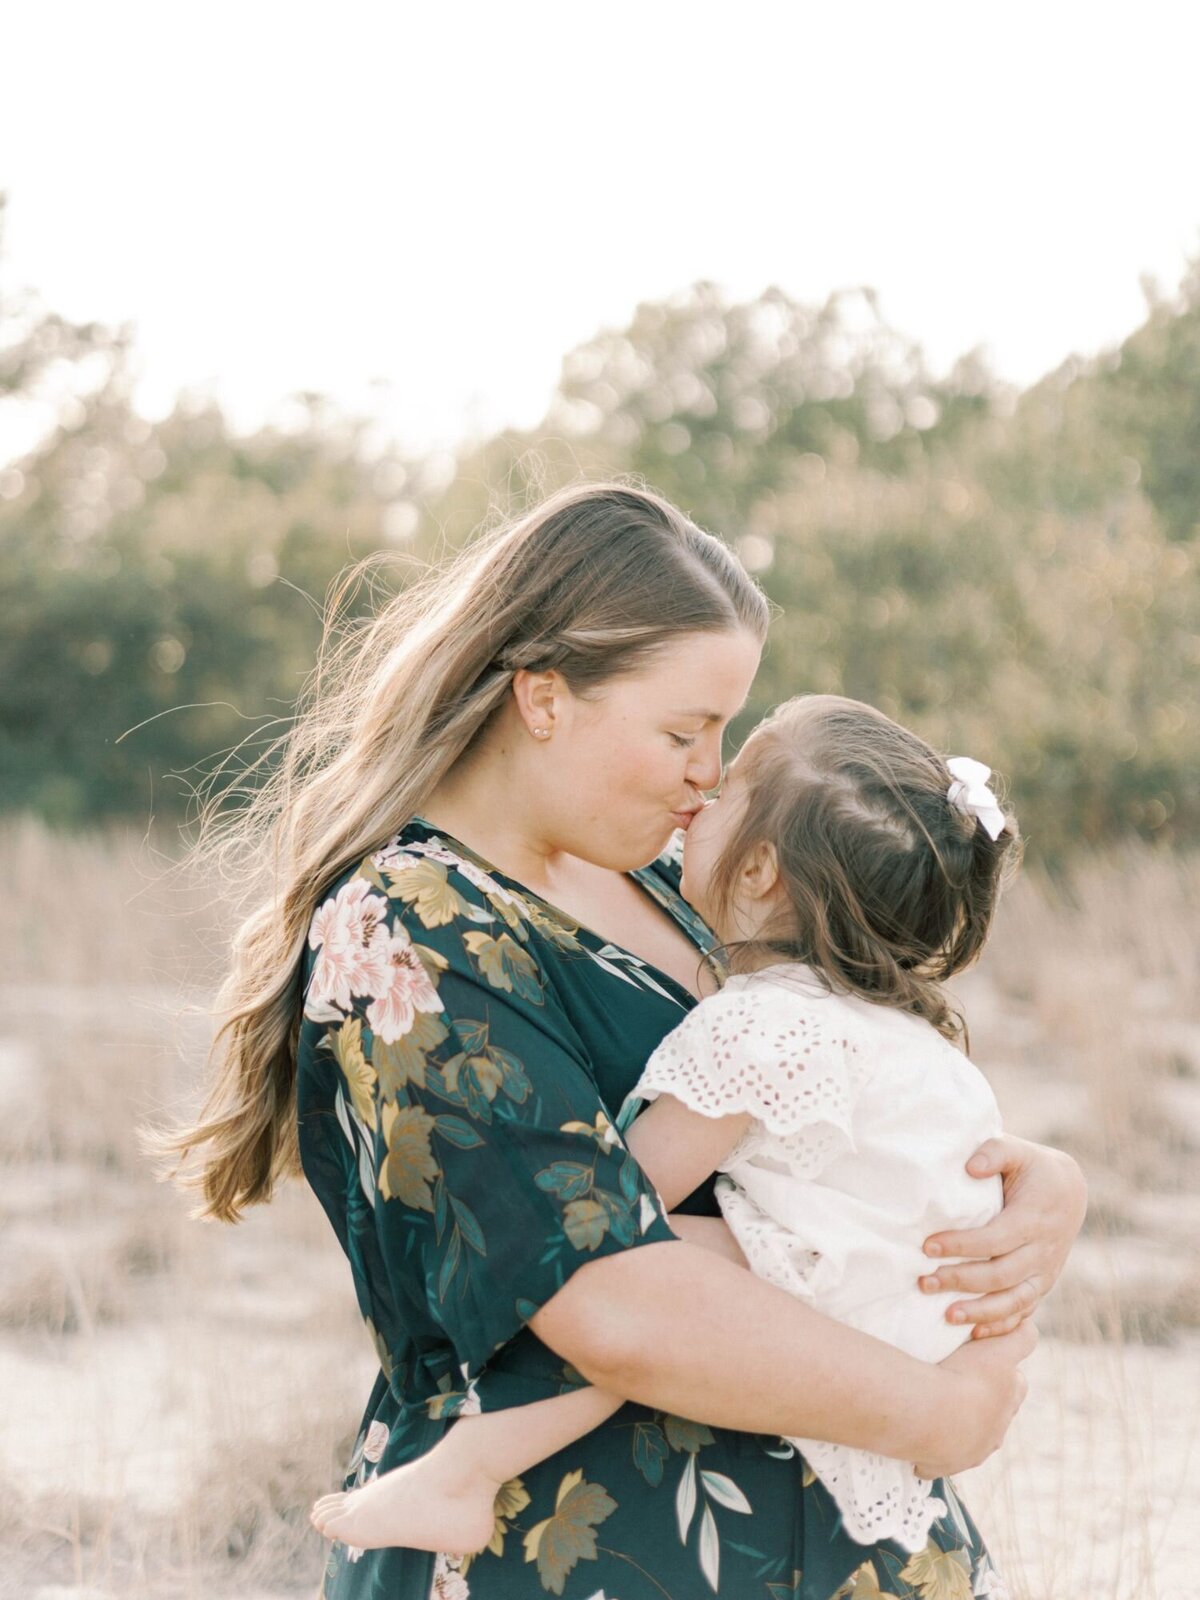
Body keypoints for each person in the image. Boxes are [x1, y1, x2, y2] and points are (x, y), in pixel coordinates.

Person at [156, 482, 1087, 1600]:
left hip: (861, 1542)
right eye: (686, 730)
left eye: (729, 734)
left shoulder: (676, 884)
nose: (711, 771)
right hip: (583, 1552)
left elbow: (838, 1113)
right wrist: (944, 1407)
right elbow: (608, 1296)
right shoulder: (413, 921)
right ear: (545, 698)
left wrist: (1041, 1185)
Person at [307, 694, 1022, 1579]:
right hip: (888, 1375)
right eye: (684, 733)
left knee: (624, 1263)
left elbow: (617, 1211)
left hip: (821, 1415)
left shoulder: (758, 1019)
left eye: (726, 766)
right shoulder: (903, 1031)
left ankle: (467, 1468)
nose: (705, 780)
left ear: (759, 873)